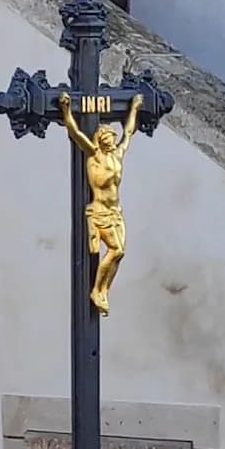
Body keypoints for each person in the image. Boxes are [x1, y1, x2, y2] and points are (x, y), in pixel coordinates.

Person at [58, 90, 144, 315]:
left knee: (120, 253)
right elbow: (75, 132)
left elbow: (128, 132)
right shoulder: (94, 155)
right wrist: (66, 110)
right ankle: (96, 290)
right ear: (100, 140)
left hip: (116, 212)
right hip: (100, 212)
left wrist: (134, 108)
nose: (111, 140)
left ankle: (103, 291)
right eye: (107, 138)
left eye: (112, 138)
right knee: (115, 250)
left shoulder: (117, 156)